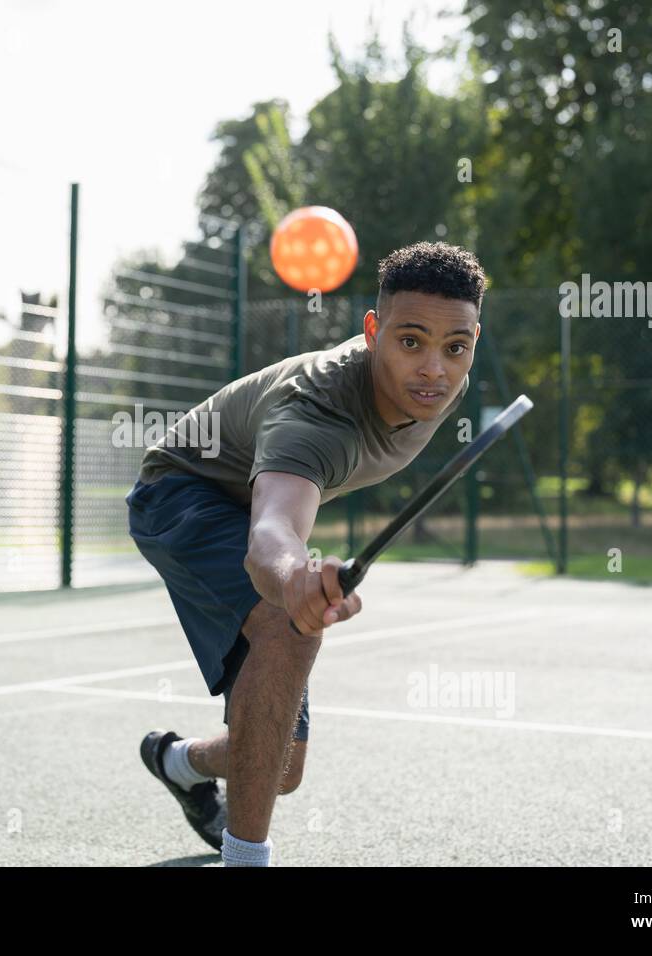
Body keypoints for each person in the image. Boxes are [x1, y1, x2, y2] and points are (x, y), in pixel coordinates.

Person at [127, 241, 483, 866]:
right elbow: (269, 533)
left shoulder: (437, 382)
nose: (434, 369)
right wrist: (292, 576)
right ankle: (248, 861)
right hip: (181, 492)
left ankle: (177, 761)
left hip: (248, 500)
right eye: (411, 342)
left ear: (472, 341)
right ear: (372, 332)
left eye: (455, 347)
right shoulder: (316, 411)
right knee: (289, 628)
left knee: (279, 767)